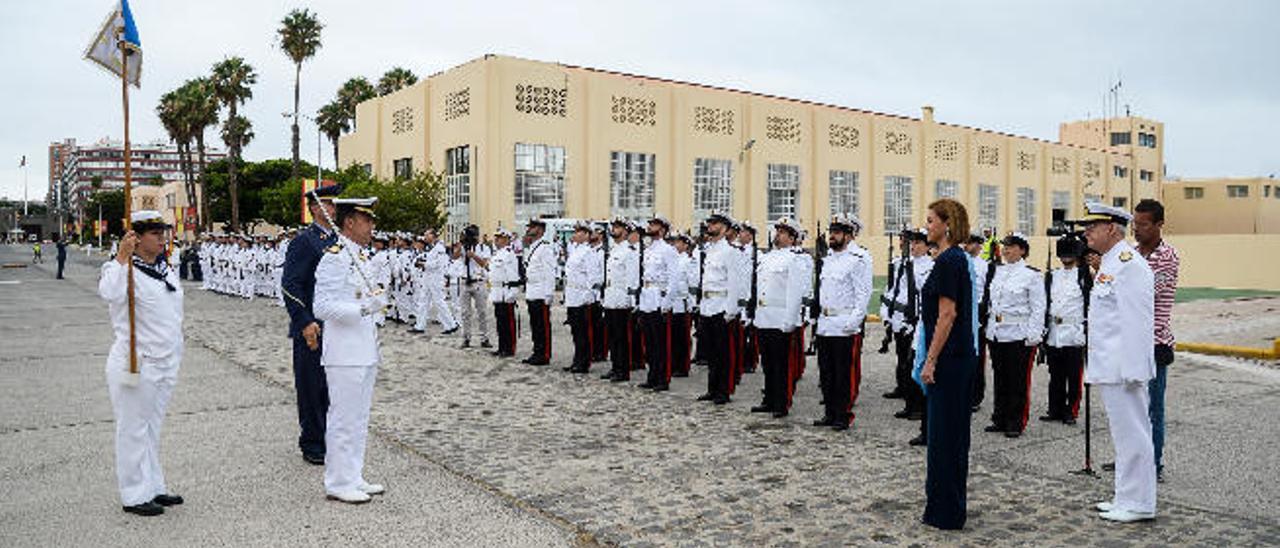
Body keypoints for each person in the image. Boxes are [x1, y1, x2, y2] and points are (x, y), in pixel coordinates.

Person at [98, 210, 186, 516]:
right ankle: (134, 494)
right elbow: (108, 293)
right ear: (135, 238)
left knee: (151, 428)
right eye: (154, 232)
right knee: (133, 429)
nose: (162, 237)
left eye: (163, 231)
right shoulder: (122, 270)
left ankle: (154, 486)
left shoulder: (164, 269)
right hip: (136, 362)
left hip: (165, 362)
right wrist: (122, 258)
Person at [1081, 201, 1158, 523]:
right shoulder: (1112, 263)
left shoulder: (1130, 265)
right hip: (1110, 366)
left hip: (1124, 369)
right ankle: (1126, 496)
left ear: (1111, 229)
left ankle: (1140, 502)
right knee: (1122, 435)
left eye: (1092, 227)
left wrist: (1135, 371)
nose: (1086, 233)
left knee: (1135, 435)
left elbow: (1137, 322)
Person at [312, 197, 386, 504]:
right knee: (343, 418)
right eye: (366, 220)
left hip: (365, 349)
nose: (371, 226)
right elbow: (323, 306)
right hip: (344, 353)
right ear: (350, 222)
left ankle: (353, 475)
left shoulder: (361, 257)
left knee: (359, 417)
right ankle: (338, 482)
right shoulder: (335, 257)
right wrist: (365, 308)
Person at [917, 199, 978, 530]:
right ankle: (942, 506)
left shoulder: (950, 261)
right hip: (956, 358)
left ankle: (947, 511)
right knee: (945, 437)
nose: (927, 226)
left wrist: (930, 361)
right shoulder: (953, 260)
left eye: (931, 220)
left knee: (947, 438)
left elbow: (947, 314)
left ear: (947, 224)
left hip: (951, 361)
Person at [281, 183, 342, 465]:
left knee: (331, 385)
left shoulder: (337, 240)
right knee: (311, 386)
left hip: (335, 325)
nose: (333, 209)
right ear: (315, 208)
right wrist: (304, 321)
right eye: (328, 204)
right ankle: (312, 441)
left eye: (334, 204)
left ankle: (329, 436)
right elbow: (291, 285)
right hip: (312, 327)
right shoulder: (305, 241)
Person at [1133, 199, 1179, 484]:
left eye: (1143, 224)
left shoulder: (1167, 256)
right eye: (1134, 223)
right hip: (1131, 342)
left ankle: (1153, 463)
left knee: (1153, 408)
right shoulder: (1132, 253)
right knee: (1132, 406)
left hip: (1154, 344)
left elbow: (1140, 291)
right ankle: (1133, 457)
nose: (1136, 229)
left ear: (1159, 224)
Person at [812, 215, 873, 429]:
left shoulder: (858, 258)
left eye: (837, 232)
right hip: (825, 323)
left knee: (843, 374)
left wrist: (852, 323)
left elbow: (863, 294)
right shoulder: (828, 259)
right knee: (826, 373)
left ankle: (842, 415)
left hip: (844, 324)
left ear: (848, 235)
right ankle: (829, 412)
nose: (832, 236)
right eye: (832, 232)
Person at [983, 232, 1045, 438]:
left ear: (1023, 250)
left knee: (1017, 380)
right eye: (1005, 246)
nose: (1006, 250)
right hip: (997, 333)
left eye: (1011, 246)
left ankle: (1015, 421)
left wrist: (1034, 335)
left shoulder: (1032, 275)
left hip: (1019, 335)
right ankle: (999, 418)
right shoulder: (997, 272)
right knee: (1000, 378)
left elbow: (1038, 308)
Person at [752, 217, 812, 419]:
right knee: (767, 363)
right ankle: (768, 399)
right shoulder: (766, 258)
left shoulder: (794, 259)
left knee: (781, 364)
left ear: (792, 238)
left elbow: (795, 293)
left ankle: (781, 402)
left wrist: (790, 320)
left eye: (783, 232)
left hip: (780, 318)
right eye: (777, 231)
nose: (777, 235)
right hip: (764, 317)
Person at [1041, 236, 1090, 425]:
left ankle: (1071, 410)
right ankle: (1055, 409)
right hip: (1055, 330)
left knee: (1074, 375)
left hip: (1074, 330)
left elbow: (1088, 303)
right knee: (1056, 374)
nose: (1065, 258)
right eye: (1062, 255)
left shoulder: (1083, 275)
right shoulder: (1053, 275)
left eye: (1069, 254)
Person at [697, 212, 739, 404]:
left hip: (721, 307)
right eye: (710, 223)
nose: (710, 226)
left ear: (724, 228)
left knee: (723, 353)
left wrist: (730, 311)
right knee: (711, 353)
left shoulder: (729, 252)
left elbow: (733, 283)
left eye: (714, 224)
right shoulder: (710, 250)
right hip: (707, 306)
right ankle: (712, 389)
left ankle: (723, 391)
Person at [639, 216, 678, 391]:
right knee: (649, 340)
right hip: (647, 296)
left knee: (661, 342)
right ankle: (652, 375)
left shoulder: (668, 250)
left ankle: (663, 378)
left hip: (659, 297)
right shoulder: (648, 249)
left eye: (653, 225)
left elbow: (674, 279)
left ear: (662, 230)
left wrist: (667, 303)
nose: (649, 227)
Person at [601, 218, 639, 382]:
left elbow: (632, 279)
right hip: (611, 297)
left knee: (622, 337)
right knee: (613, 336)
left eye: (617, 227)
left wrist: (631, 301)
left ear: (625, 231)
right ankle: (615, 366)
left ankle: (623, 370)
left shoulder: (629, 252)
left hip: (622, 299)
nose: (613, 230)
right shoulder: (614, 250)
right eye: (613, 227)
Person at [562, 222, 599, 373]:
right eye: (575, 231)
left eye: (578, 232)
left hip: (581, 295)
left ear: (586, 235)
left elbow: (593, 276)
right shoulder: (575, 250)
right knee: (576, 331)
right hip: (572, 295)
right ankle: (577, 360)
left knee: (583, 331)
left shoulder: (588, 252)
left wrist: (588, 295)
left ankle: (584, 362)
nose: (575, 234)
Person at [522, 219, 558, 366]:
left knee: (543, 325)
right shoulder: (532, 247)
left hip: (541, 292)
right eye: (529, 226)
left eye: (533, 227)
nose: (529, 229)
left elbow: (549, 272)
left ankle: (544, 354)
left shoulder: (545, 248)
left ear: (541, 230)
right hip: (532, 291)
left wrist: (549, 293)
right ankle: (537, 351)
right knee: (535, 324)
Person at [488, 229, 521, 357]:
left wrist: (512, 293)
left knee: (508, 323)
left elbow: (513, 275)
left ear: (507, 239)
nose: (496, 240)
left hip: (506, 291)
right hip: (497, 292)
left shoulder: (509, 254)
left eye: (500, 238)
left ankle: (509, 348)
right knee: (500, 322)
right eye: (496, 237)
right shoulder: (497, 254)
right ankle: (502, 347)